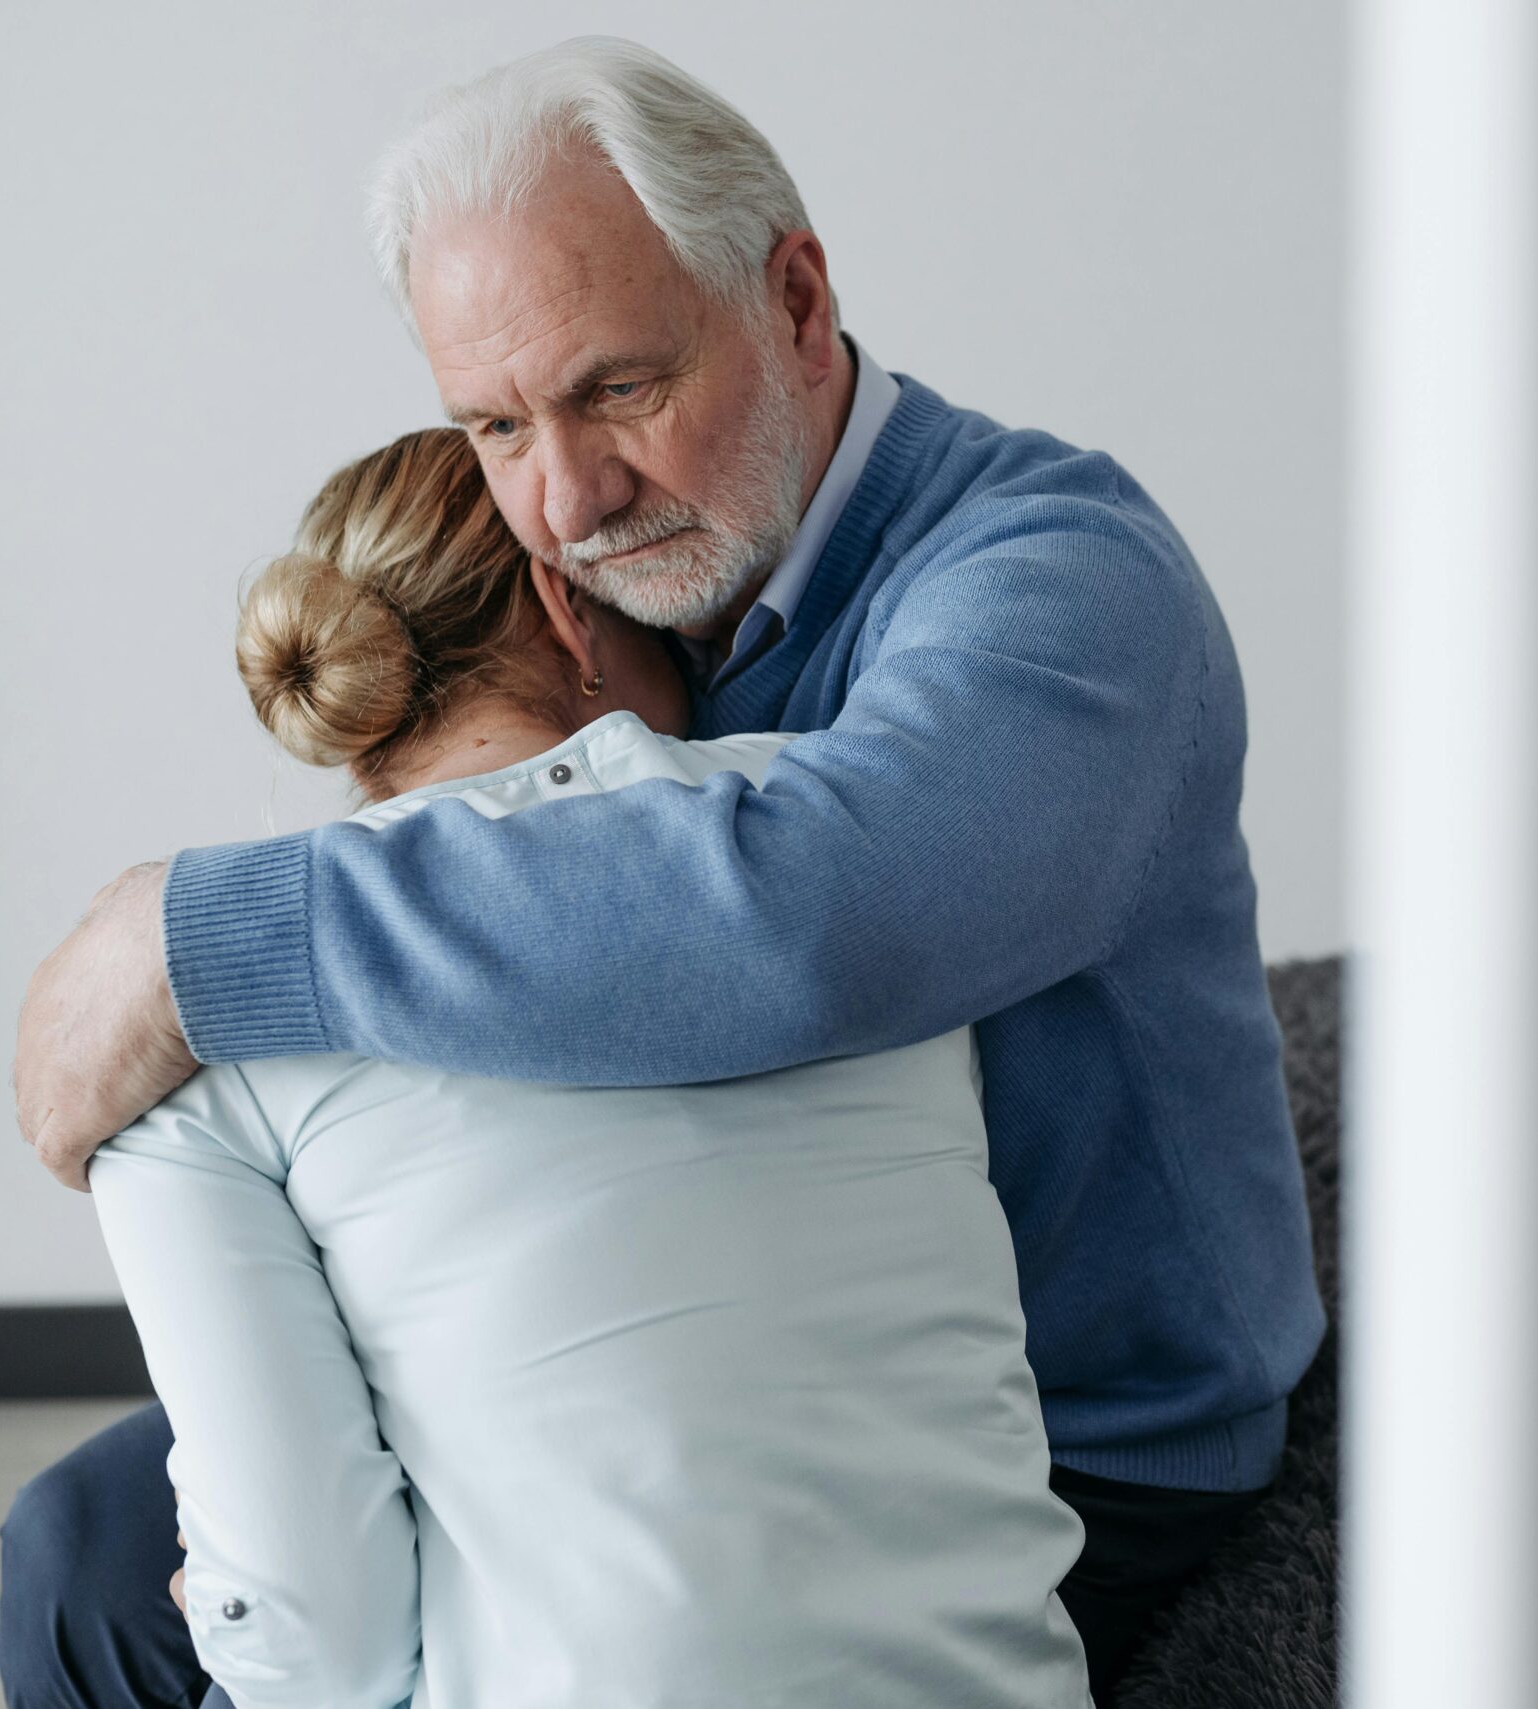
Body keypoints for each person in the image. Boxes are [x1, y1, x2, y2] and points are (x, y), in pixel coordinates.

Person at [5, 36, 1322, 1707]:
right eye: (495, 422)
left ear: (793, 296)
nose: (564, 496)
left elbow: (809, 918)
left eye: (621, 388)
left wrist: (202, 937)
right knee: (89, 1550)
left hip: (1076, 1432)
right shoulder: (635, 583)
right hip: (708, 1348)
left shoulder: (1059, 582)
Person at [89, 427, 1091, 1709]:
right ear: (570, 609)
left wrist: (233, 1606)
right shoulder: (857, 846)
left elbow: (316, 1650)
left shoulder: (194, 1043)